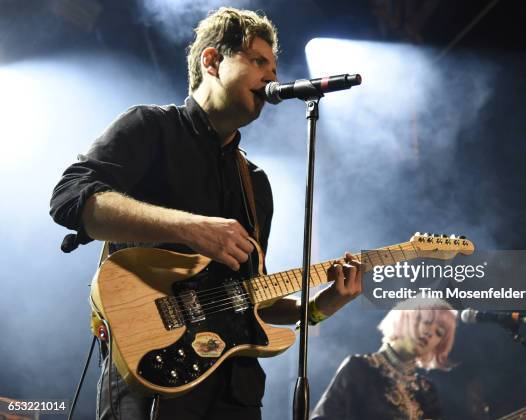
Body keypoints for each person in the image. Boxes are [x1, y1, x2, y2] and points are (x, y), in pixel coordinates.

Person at [49, 7, 361, 420]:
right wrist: (190, 227)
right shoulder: (150, 127)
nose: (272, 77)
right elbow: (69, 196)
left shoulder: (255, 183)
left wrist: (319, 307)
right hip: (154, 379)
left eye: (274, 66)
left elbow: (247, 296)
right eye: (257, 61)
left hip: (236, 394)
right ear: (211, 60)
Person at [311, 299, 457, 420]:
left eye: (439, 332)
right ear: (406, 317)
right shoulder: (359, 368)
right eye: (426, 321)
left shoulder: (427, 390)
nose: (430, 333)